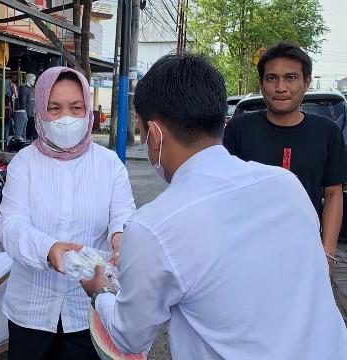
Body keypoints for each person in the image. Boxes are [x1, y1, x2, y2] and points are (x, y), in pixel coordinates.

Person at [81, 54, 347, 359]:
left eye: (141, 130)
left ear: (154, 134)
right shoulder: (286, 184)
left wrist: (100, 290)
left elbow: (130, 337)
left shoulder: (154, 227)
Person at [0, 66, 135, 360]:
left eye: (76, 108)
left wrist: (121, 237)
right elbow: (11, 225)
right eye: (54, 108)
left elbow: (123, 213)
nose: (66, 119)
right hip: (31, 312)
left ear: (88, 110)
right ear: (40, 111)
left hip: (88, 306)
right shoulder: (24, 163)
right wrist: (49, 250)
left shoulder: (109, 165)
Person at [223, 42, 347, 322]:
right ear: (261, 83)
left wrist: (325, 254)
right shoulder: (240, 129)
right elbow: (225, 192)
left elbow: (334, 195)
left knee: (304, 325)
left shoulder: (326, 133)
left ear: (306, 82)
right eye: (271, 78)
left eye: (290, 78)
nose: (281, 87)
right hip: (248, 253)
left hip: (306, 252)